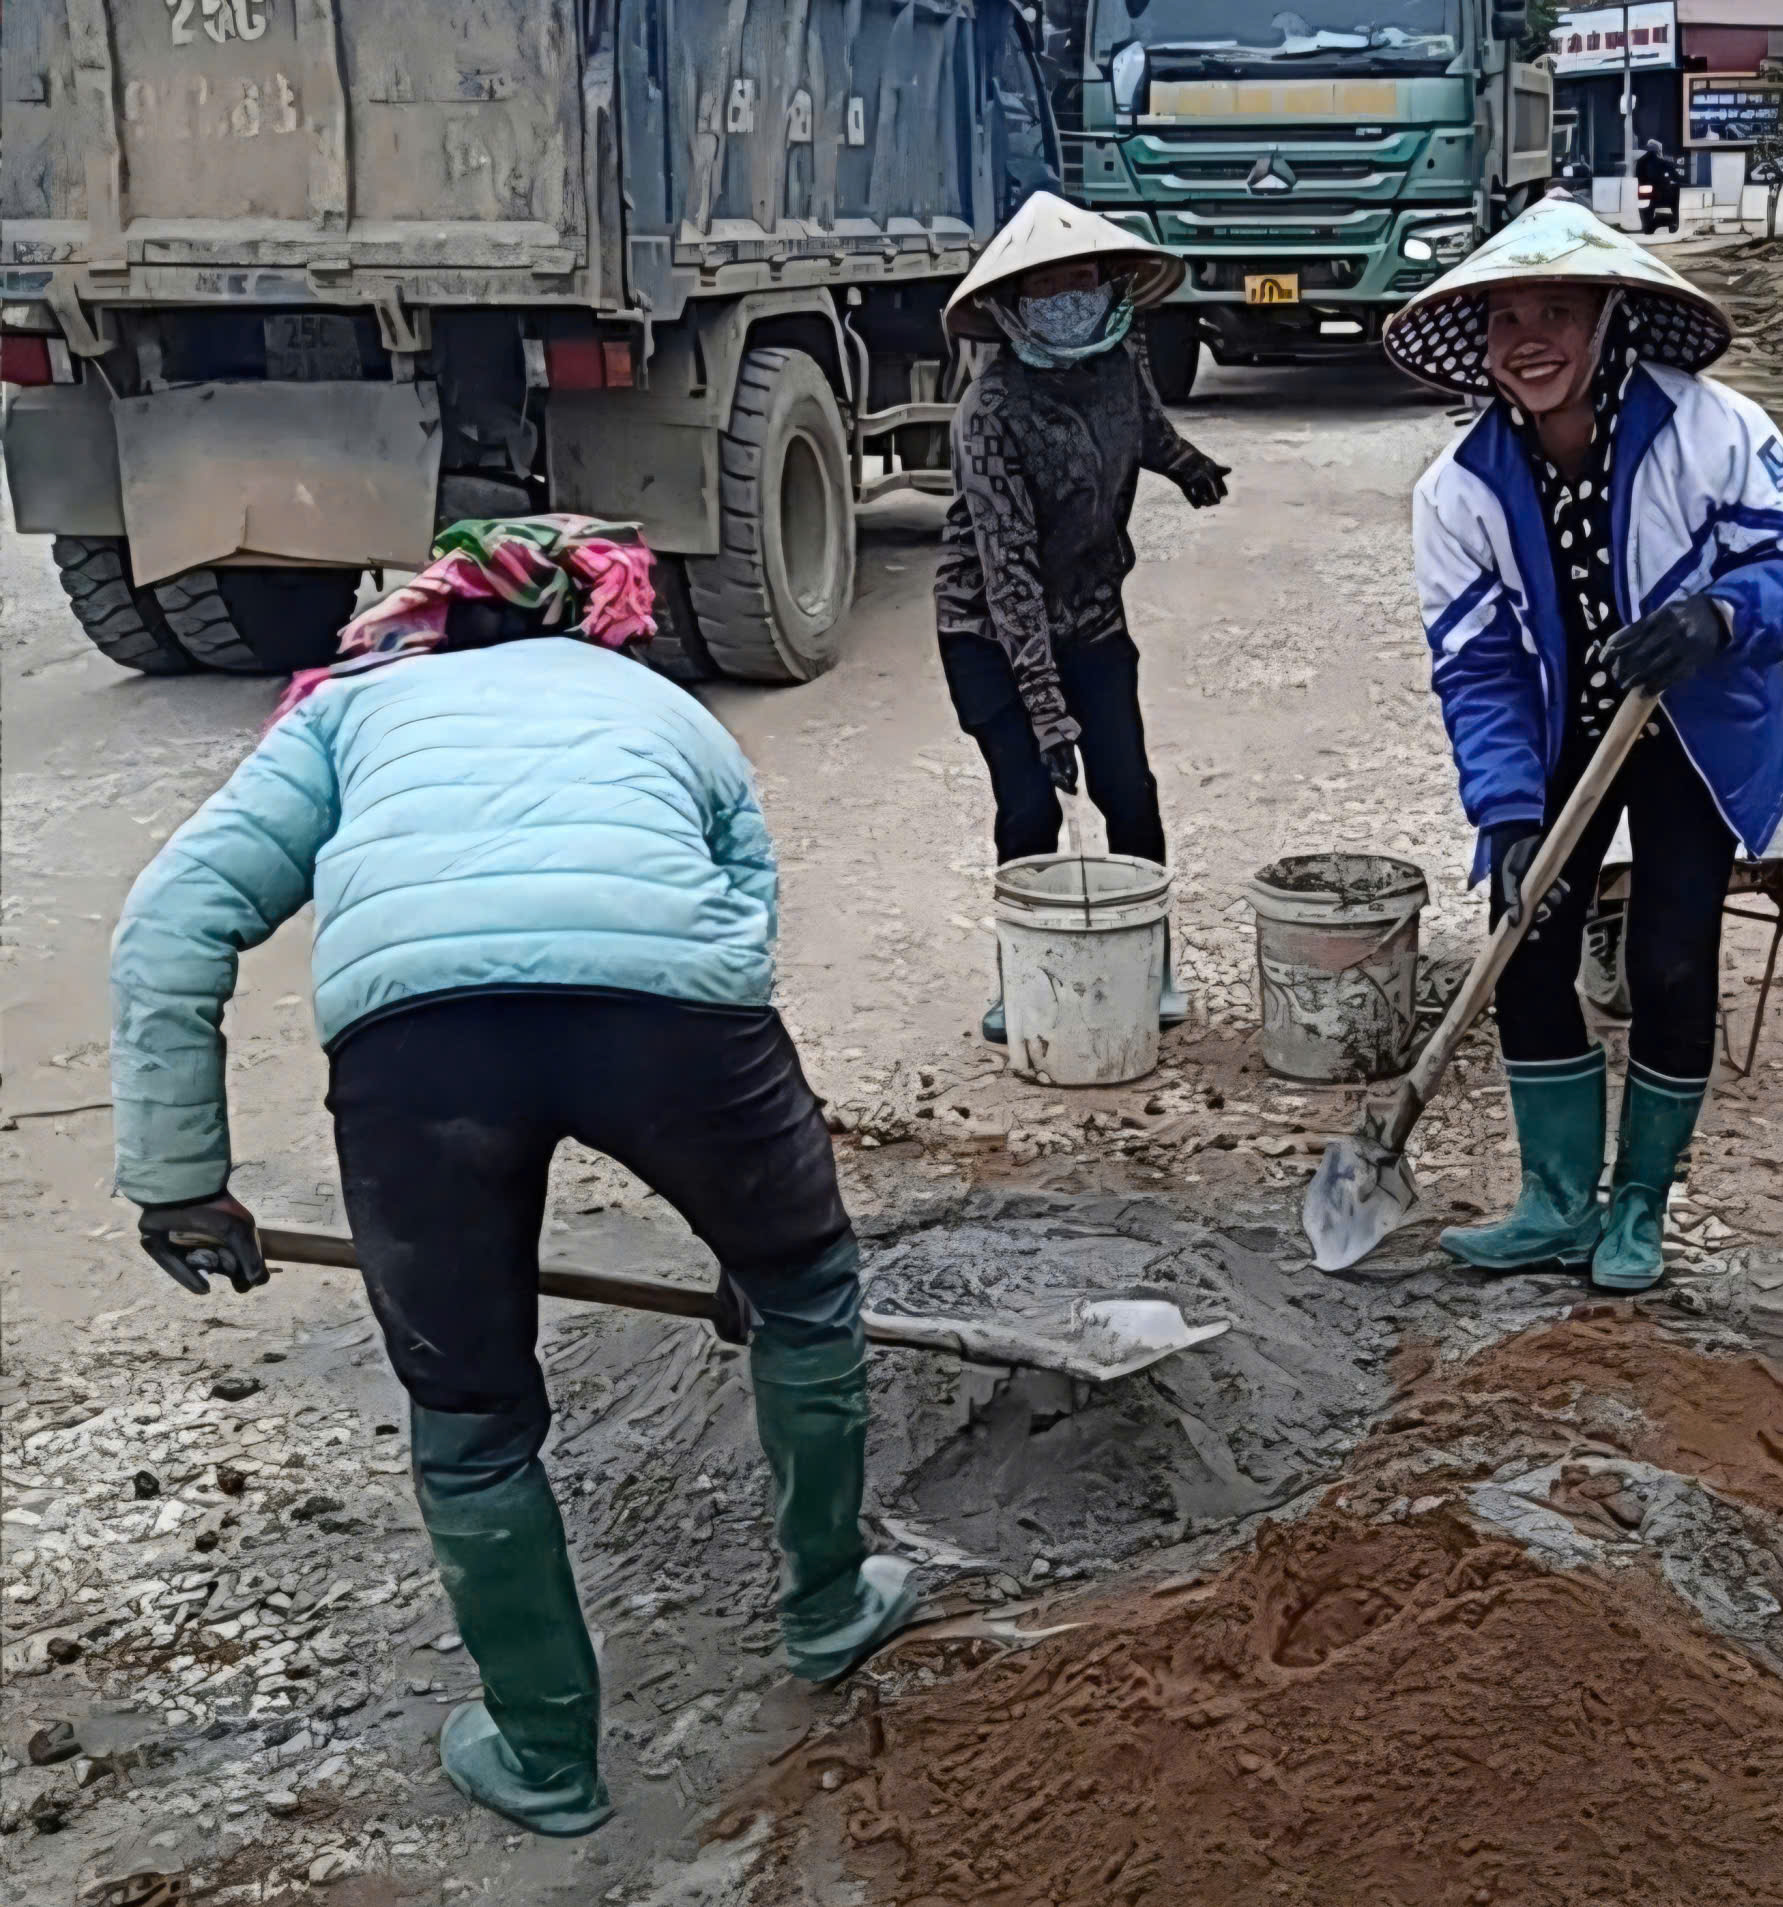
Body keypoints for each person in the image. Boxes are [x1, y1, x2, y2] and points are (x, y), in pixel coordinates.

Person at [107, 517, 913, 1838]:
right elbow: (740, 928)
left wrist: (180, 1175)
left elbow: (170, 924)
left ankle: (547, 1751)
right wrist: (752, 1240)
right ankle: (829, 1604)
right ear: (598, 621)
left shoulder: (350, 713)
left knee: (473, 1413)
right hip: (676, 1027)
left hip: (420, 1055)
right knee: (813, 1290)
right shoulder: (664, 709)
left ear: (443, 616)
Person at [1383, 200, 1783, 1292]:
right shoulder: (1457, 490)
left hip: (1689, 721)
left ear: (1608, 324)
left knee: (1668, 959)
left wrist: (1719, 617)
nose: (1528, 340)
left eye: (1557, 311)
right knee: (1526, 944)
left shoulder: (1711, 429)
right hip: (1563, 730)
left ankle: (1637, 1203)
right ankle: (1553, 1200)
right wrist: (1505, 814)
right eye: (1504, 320)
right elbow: (1481, 667)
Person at [935, 191, 1231, 1043]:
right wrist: (1044, 707)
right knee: (1029, 805)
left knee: (1129, 791)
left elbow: (1144, 428)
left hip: (1094, 616)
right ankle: (1022, 978)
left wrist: (1188, 466)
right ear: (1012, 307)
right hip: (989, 631)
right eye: (1045, 288)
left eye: (1082, 281)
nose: (1067, 299)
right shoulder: (989, 414)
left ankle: (1150, 962)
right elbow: (1008, 571)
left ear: (1110, 286)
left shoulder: (1120, 361)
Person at [1637, 139, 1685, 234]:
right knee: (1676, 193)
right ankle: (1675, 222)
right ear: (1658, 150)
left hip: (1643, 194)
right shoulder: (1662, 162)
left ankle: (1647, 225)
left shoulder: (1640, 161)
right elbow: (1676, 176)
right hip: (1660, 195)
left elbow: (1639, 176)